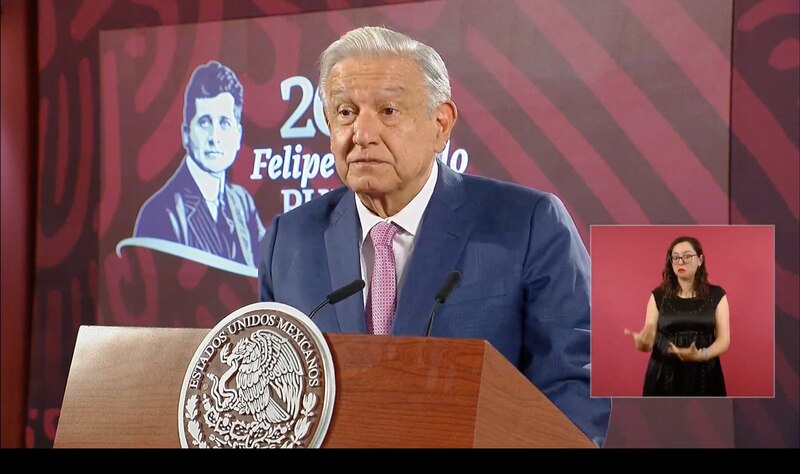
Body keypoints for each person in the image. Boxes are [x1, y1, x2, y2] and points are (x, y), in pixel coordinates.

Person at [258, 26, 610, 444]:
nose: (362, 134)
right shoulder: (290, 240)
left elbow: (573, 382)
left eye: (388, 111)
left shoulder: (529, 224)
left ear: (441, 124)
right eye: (345, 113)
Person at [134, 60, 265, 268]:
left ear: (238, 134)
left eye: (224, 123)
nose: (214, 137)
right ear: (186, 134)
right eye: (204, 122)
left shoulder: (242, 203)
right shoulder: (161, 213)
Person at [624, 236, 730, 396]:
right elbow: (649, 336)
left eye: (687, 256)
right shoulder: (658, 295)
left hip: (704, 373)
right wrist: (642, 344)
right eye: (675, 257)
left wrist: (701, 355)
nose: (681, 262)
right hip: (664, 374)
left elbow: (724, 339)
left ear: (700, 260)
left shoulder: (717, 294)